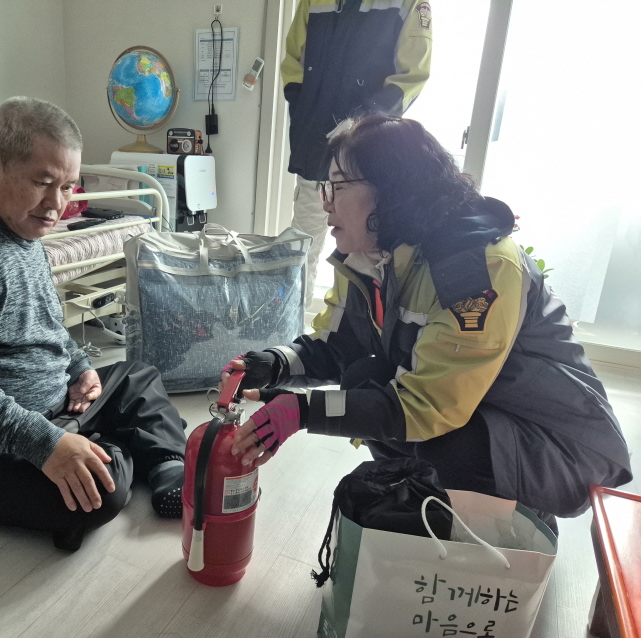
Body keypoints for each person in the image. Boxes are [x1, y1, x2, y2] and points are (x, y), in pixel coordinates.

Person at [222, 115, 632, 527]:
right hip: (485, 412)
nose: (326, 202)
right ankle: (432, 503)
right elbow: (337, 346)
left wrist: (303, 411)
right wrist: (272, 364)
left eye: (338, 186)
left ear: (390, 189)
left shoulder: (476, 268)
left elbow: (430, 407)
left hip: (560, 444)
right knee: (365, 378)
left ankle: (512, 521)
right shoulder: (372, 256)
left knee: (448, 444)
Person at [0, 97, 187, 551]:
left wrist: (79, 368)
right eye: (43, 183)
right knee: (102, 494)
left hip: (50, 408)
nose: (57, 205)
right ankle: (109, 448)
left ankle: (165, 468)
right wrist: (45, 444)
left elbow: (45, 325)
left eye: (67, 187)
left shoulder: (24, 229)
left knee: (137, 376)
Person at [282, 0, 433, 307]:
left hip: (365, 158)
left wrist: (360, 125)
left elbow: (411, 77)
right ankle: (293, 328)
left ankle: (356, 329)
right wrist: (302, 110)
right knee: (300, 250)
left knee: (362, 250)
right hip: (313, 148)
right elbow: (293, 63)